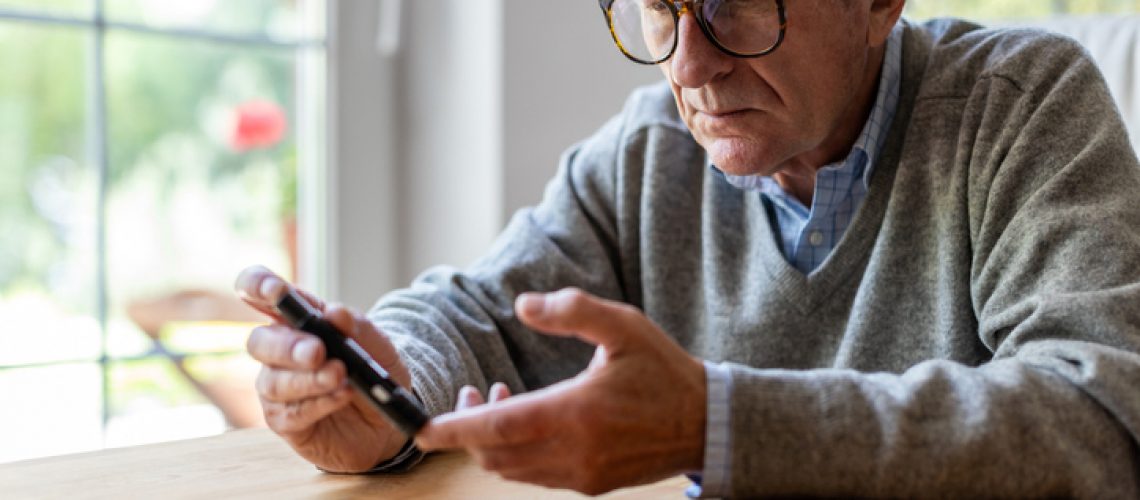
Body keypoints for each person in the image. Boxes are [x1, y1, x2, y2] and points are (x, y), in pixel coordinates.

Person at [236, 0, 1140, 496]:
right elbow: (477, 313)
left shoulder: (1023, 104)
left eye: (738, 7)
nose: (688, 66)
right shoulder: (649, 152)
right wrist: (382, 398)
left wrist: (714, 424)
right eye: (661, 9)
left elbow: (1102, 424)